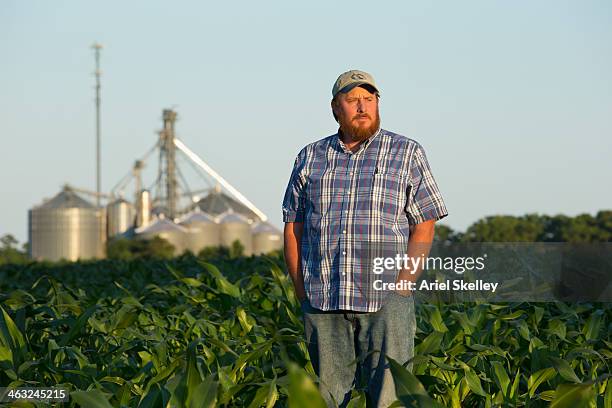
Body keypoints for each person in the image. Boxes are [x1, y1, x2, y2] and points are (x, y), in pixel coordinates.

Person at [282, 69, 448, 407]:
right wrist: (302, 289)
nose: (362, 107)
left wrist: (403, 284)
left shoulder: (406, 151)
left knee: (389, 398)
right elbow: (293, 227)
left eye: (369, 99)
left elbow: (425, 223)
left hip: (386, 300)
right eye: (353, 99)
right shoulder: (310, 157)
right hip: (323, 299)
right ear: (335, 108)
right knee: (328, 398)